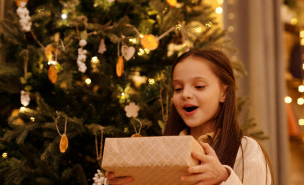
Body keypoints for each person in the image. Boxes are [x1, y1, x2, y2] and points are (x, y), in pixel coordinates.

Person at [106, 48, 273, 185]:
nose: (185, 94)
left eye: (199, 86)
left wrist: (223, 178)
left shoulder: (246, 150)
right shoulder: (161, 152)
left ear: (224, 93)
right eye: (178, 88)